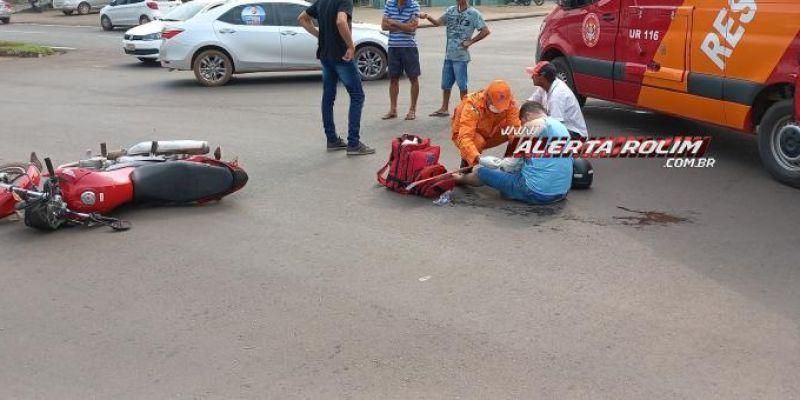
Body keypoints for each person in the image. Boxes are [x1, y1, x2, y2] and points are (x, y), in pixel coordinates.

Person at [455, 101, 572, 205]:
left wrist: (483, 160)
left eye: (522, 123)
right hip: (562, 192)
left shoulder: (532, 125)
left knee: (481, 172)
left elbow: (509, 166)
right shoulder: (561, 127)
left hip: (537, 193)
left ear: (527, 116)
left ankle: (459, 179)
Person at [298, 0, 375, 155]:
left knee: (328, 97)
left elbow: (302, 18)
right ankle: (353, 143)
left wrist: (319, 35)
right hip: (341, 56)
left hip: (326, 55)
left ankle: (332, 139)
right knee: (357, 96)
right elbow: (341, 21)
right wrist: (351, 46)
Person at [419, 0, 490, 117]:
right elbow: (438, 22)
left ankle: (464, 110)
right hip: (449, 54)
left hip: (461, 56)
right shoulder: (451, 10)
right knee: (446, 84)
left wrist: (471, 41)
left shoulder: (473, 13)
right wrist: (427, 16)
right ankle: (444, 108)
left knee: (462, 85)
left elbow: (485, 31)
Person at [451, 80, 521, 168]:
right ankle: (466, 167)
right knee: (477, 141)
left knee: (521, 128)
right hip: (464, 135)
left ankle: (508, 165)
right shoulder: (472, 105)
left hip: (490, 132)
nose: (499, 109)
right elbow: (465, 137)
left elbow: (515, 129)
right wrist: (479, 158)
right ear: (487, 97)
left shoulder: (510, 102)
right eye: (496, 105)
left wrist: (518, 154)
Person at [526, 61, 588, 139]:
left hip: (575, 135)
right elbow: (529, 104)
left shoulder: (557, 96)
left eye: (534, 75)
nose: (531, 77)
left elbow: (555, 127)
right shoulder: (544, 86)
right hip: (561, 129)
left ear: (541, 78)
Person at [381, 0, 421, 121]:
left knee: (413, 78)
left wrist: (393, 22)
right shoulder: (389, 3)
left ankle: (412, 110)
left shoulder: (414, 5)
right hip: (393, 47)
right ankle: (393, 110)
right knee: (393, 79)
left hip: (409, 47)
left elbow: (412, 28)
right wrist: (403, 25)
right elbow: (383, 25)